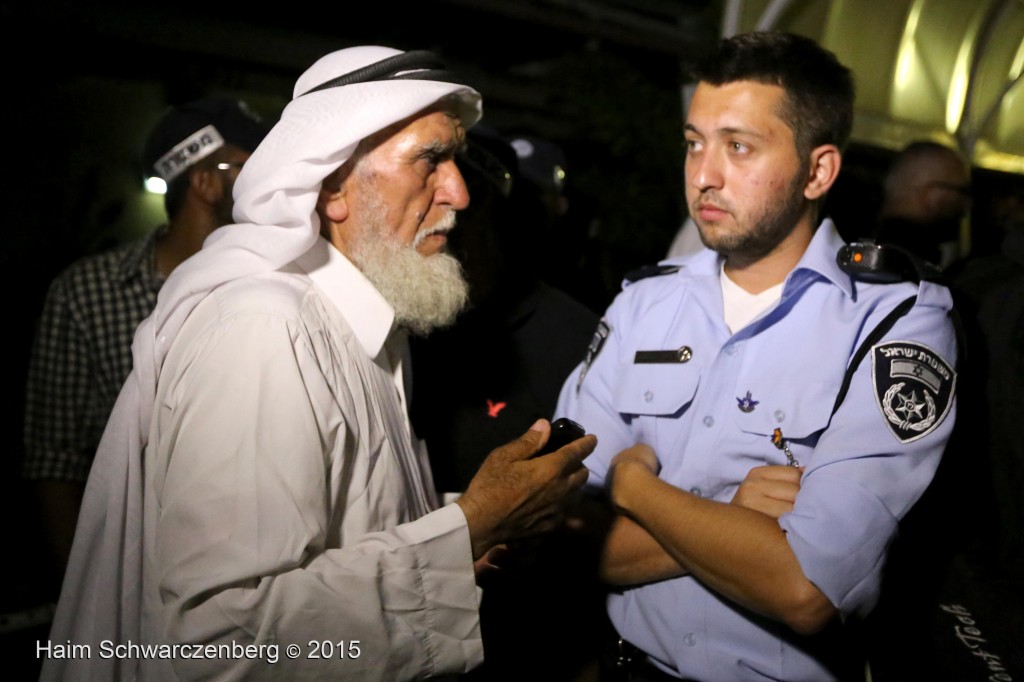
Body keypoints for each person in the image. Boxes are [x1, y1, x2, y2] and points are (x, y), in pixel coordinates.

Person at [41, 46, 595, 682]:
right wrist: (464, 532)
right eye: (430, 160)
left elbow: (349, 526)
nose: (460, 193)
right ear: (333, 186)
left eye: (457, 160)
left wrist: (482, 511)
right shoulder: (264, 330)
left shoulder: (359, 323)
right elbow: (218, 640)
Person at [555, 31, 959, 681]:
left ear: (818, 170)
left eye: (738, 146)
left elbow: (807, 590)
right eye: (694, 143)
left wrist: (638, 490)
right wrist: (734, 519)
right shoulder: (642, 305)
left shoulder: (895, 320)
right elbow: (563, 540)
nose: (704, 175)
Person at [21, 95, 271, 591]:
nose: (268, 181)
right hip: (133, 579)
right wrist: (87, 597)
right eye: (248, 167)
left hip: (255, 576)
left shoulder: (270, 288)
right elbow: (55, 458)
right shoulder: (89, 292)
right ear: (204, 181)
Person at [409, 125, 602, 681]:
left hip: (528, 651)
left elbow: (597, 526)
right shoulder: (399, 327)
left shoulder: (578, 339)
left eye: (467, 204)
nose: (445, 218)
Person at [871, 140, 972, 269]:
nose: (967, 203)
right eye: (961, 191)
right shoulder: (920, 273)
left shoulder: (858, 257)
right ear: (932, 195)